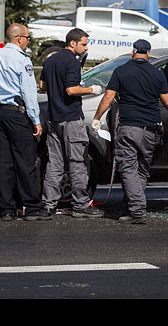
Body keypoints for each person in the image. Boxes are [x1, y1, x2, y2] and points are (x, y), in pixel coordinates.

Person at [91, 39, 168, 223]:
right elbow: (167, 102)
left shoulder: (121, 71)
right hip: (151, 130)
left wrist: (97, 118)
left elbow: (108, 96)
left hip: (129, 128)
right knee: (141, 170)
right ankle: (131, 208)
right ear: (149, 54)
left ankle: (137, 211)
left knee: (128, 169)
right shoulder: (157, 74)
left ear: (133, 52)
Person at [39, 28, 104, 218]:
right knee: (78, 162)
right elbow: (71, 90)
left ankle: (48, 205)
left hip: (54, 119)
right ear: (73, 43)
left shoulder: (50, 60)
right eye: (83, 44)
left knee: (54, 163)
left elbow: (42, 86)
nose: (86, 48)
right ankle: (81, 204)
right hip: (72, 118)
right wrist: (91, 89)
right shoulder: (73, 63)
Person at [0, 23, 49, 221]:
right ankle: (32, 207)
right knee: (25, 162)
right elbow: (28, 91)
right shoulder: (22, 59)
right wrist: (36, 120)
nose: (27, 42)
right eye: (27, 38)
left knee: (4, 163)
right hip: (18, 113)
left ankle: (7, 209)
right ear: (19, 38)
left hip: (1, 112)